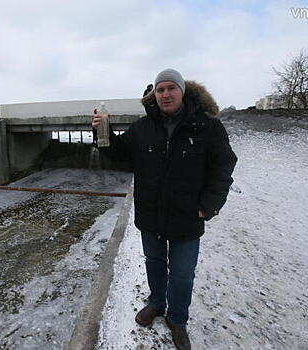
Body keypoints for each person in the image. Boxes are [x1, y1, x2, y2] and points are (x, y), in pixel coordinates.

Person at [92, 69, 237, 350]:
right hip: (151, 215)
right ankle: (157, 303)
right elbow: (121, 156)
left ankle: (178, 319)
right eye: (160, 90)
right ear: (154, 94)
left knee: (183, 273)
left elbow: (223, 167)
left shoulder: (207, 127)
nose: (165, 94)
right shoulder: (143, 127)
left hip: (187, 217)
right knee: (154, 263)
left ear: (182, 92)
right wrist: (102, 130)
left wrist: (209, 206)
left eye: (171, 88)